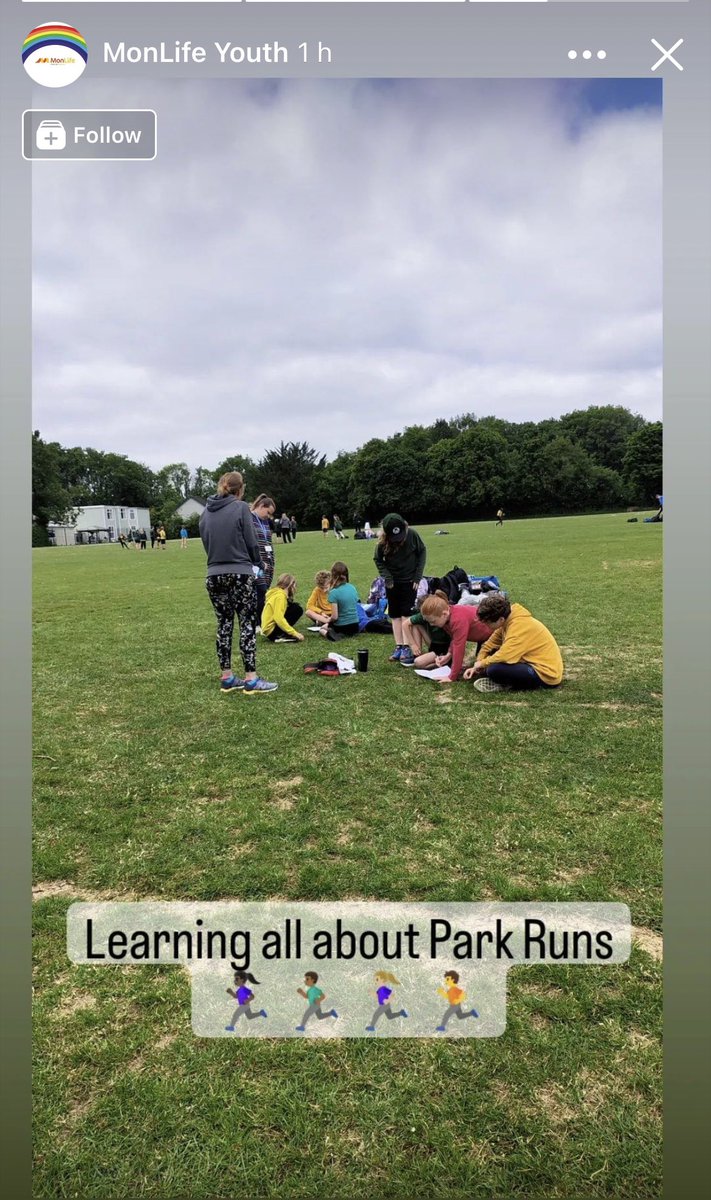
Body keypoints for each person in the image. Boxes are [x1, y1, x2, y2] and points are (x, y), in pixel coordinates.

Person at [199, 471, 278, 695]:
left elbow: (206, 543)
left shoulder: (205, 513)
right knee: (246, 624)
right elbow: (251, 541)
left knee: (223, 625)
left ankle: (227, 676)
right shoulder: (241, 508)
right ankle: (251, 679)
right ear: (240, 489)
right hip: (240, 573)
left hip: (213, 574)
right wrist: (258, 563)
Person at [462, 593, 564, 693]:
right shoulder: (507, 621)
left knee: (494, 670)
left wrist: (482, 663)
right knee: (491, 661)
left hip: (547, 675)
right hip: (530, 663)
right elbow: (488, 645)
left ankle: (506, 685)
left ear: (501, 619)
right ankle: (506, 680)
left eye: (488, 623)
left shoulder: (519, 626)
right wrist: (478, 663)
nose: (486, 626)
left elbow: (506, 656)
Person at [374, 513, 427, 661]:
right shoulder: (382, 543)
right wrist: (387, 576)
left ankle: (407, 646)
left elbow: (422, 552)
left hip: (410, 581)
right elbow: (378, 560)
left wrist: (417, 576)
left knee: (406, 614)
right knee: (395, 615)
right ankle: (399, 646)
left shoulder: (412, 535)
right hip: (392, 583)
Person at [410, 592, 490, 679]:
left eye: (433, 621)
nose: (431, 624)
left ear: (444, 614)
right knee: (479, 665)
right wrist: (448, 655)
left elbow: (459, 648)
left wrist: (452, 677)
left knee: (486, 670)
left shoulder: (457, 620)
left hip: (492, 638)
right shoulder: (447, 618)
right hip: (483, 638)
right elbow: (454, 639)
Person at [250, 494, 276, 627]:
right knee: (260, 590)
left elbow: (268, 541)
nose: (269, 516)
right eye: (268, 512)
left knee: (264, 590)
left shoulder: (264, 521)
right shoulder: (249, 518)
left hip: (268, 563)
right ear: (261, 506)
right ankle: (257, 623)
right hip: (256, 564)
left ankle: (261, 621)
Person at [320, 561, 360, 641]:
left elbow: (335, 617)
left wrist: (329, 620)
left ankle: (330, 634)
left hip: (342, 626)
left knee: (322, 628)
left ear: (333, 576)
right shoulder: (352, 587)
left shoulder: (333, 592)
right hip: (355, 625)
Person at [261, 573, 304, 643]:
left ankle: (280, 633)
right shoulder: (280, 597)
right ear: (290, 585)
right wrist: (294, 633)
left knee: (294, 606)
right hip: (272, 631)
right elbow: (278, 618)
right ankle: (279, 635)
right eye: (294, 585)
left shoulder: (277, 593)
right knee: (297, 609)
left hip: (268, 629)